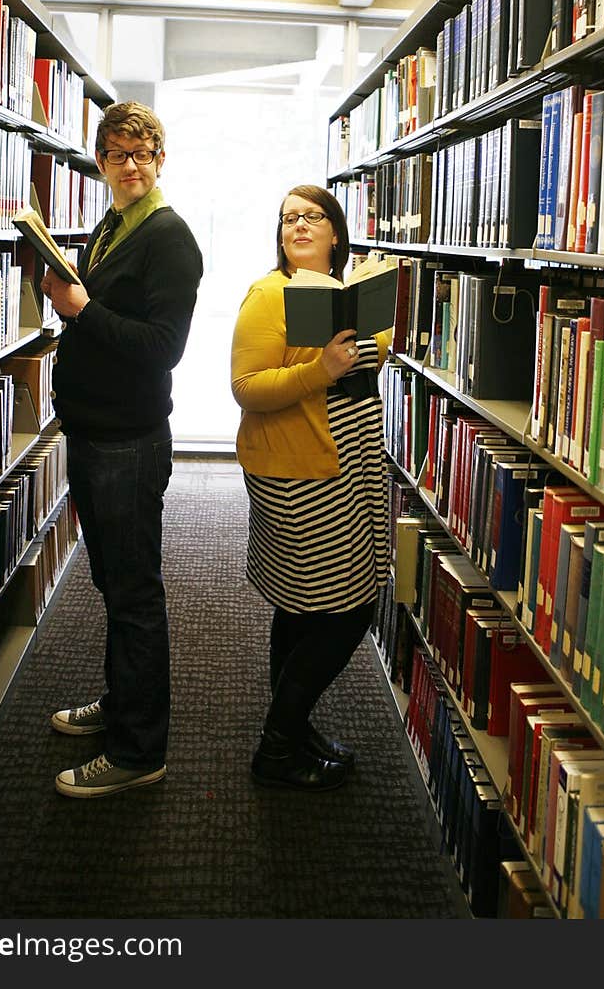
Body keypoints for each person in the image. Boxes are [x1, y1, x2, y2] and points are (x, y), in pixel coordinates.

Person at [40, 99, 203, 798]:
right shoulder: (110, 226)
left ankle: (140, 751)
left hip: (130, 444)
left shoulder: (170, 240)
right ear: (100, 162)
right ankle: (121, 705)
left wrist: (82, 311)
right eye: (117, 154)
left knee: (135, 594)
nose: (130, 165)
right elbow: (102, 318)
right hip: (92, 431)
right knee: (112, 586)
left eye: (143, 153)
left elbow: (162, 349)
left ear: (160, 160)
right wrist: (73, 307)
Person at [230, 184, 391, 791]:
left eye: (311, 217)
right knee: (346, 610)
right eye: (287, 219)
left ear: (336, 233)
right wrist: (316, 369)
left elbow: (368, 369)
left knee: (303, 608)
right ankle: (276, 746)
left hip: (350, 466)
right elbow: (246, 387)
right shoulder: (268, 295)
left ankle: (293, 730)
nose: (297, 225)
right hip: (296, 472)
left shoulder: (351, 298)